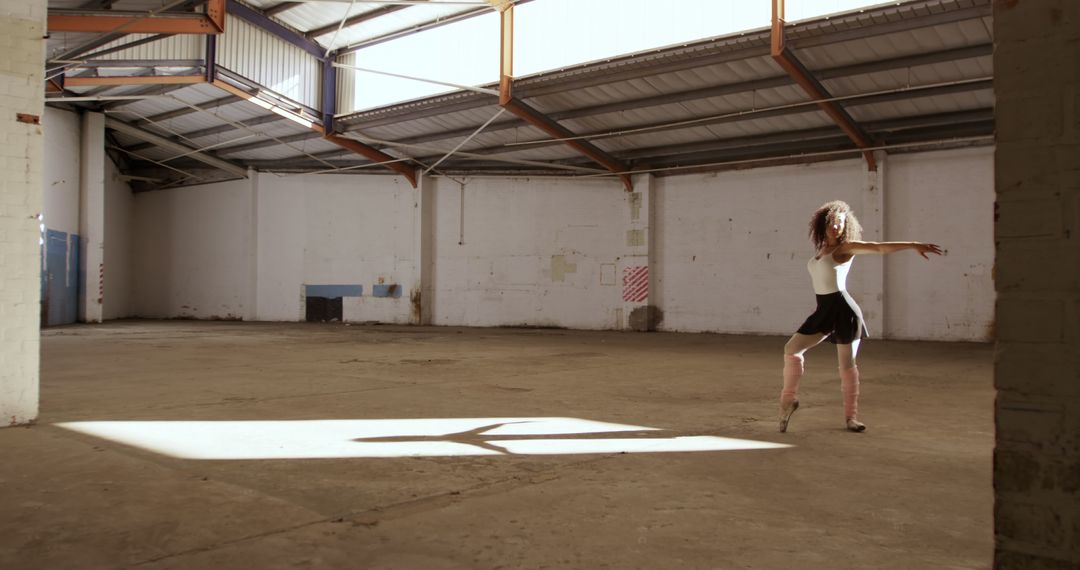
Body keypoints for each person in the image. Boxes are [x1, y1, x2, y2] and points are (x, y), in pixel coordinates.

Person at [779, 200, 942, 433]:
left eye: (840, 223)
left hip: (844, 310)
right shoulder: (821, 250)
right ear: (823, 225)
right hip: (823, 309)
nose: (836, 227)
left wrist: (914, 244)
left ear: (846, 227)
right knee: (791, 349)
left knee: (846, 365)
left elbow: (877, 247)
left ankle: (851, 418)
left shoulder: (845, 248)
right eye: (832, 223)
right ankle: (788, 400)